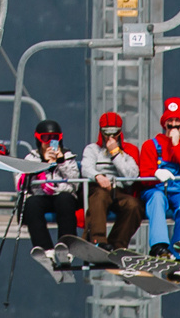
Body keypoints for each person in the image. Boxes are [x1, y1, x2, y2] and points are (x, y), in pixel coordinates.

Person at [137, 97, 180, 255]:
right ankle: (159, 246)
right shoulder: (150, 145)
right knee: (157, 200)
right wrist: (155, 173)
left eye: (177, 121)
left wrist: (176, 147)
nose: (173, 125)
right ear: (164, 123)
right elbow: (144, 174)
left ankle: (179, 250)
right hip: (156, 189)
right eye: (170, 121)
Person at [19, 119, 84, 264]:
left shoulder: (67, 157)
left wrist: (60, 162)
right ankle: (45, 247)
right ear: (38, 139)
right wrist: (41, 166)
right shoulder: (31, 159)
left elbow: (74, 182)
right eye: (45, 138)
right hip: (41, 196)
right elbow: (23, 183)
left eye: (54, 138)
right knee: (31, 204)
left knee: (65, 200)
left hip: (62, 195)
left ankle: (66, 245)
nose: (50, 142)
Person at [81, 110, 145, 251]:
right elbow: (85, 168)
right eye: (106, 133)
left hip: (118, 189)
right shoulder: (93, 149)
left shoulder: (128, 151)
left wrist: (115, 153)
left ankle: (117, 244)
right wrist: (98, 176)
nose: (110, 137)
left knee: (134, 205)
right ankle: (98, 240)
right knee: (100, 197)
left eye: (114, 133)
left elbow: (131, 177)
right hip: (98, 187)